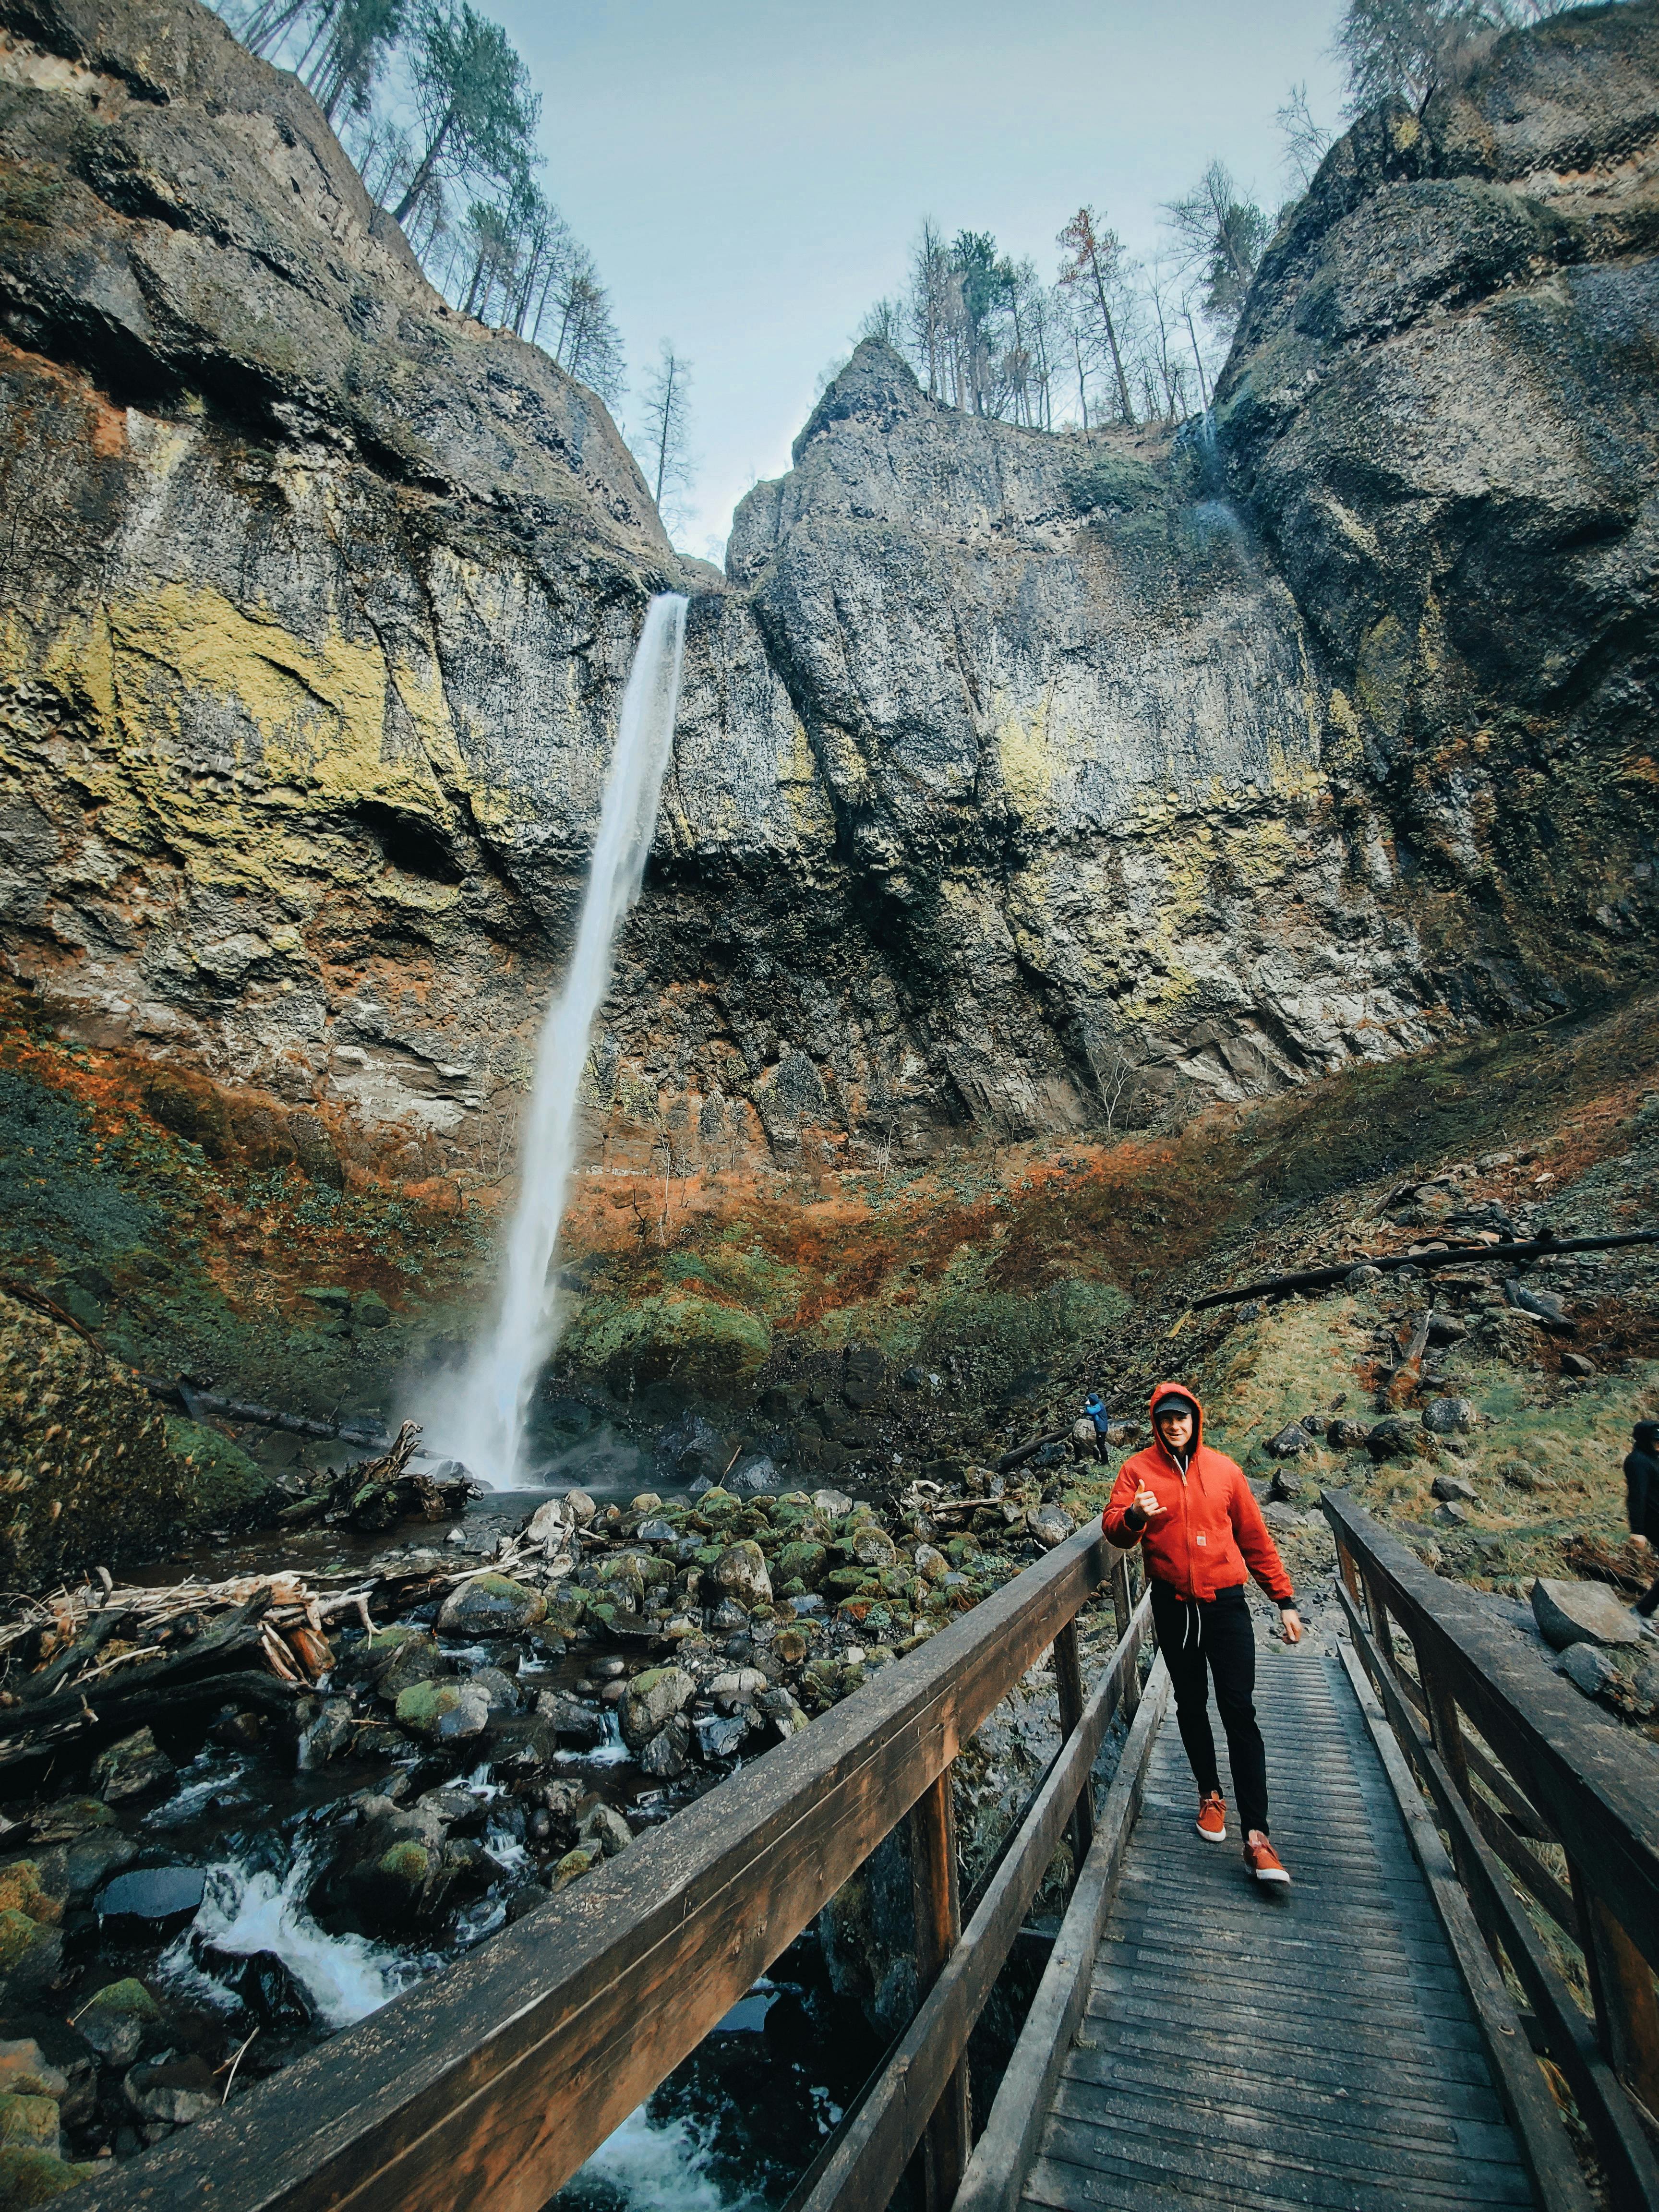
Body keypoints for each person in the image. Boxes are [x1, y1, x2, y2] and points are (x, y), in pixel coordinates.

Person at [1103, 1382, 1302, 1886]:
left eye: (1183, 1418)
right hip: (1173, 1606)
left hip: (1226, 1605)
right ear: (1156, 1422)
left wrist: (1284, 1600)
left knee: (1240, 1709)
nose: (1175, 1426)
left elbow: (1256, 1538)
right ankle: (1210, 1795)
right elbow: (1113, 1529)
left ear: (1196, 1420)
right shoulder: (1137, 1471)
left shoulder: (1225, 1471)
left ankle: (1257, 1837)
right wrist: (1134, 1516)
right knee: (1191, 1704)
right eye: (1166, 1419)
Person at [1625, 1421, 1659, 1617]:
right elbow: (1637, 1498)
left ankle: (1646, 1609)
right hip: (1653, 1522)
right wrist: (1638, 1531)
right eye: (1656, 1441)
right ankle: (1643, 1611)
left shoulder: (1654, 1458)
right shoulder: (1638, 1462)